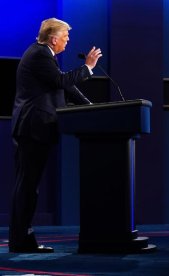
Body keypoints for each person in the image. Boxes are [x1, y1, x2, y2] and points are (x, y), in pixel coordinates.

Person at [9, 18, 102, 253]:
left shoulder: (42, 55)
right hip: (32, 128)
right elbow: (62, 81)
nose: (68, 41)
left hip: (33, 128)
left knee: (29, 186)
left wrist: (92, 106)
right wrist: (88, 67)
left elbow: (64, 87)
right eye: (65, 37)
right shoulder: (40, 54)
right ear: (53, 39)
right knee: (27, 186)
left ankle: (22, 239)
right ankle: (20, 241)